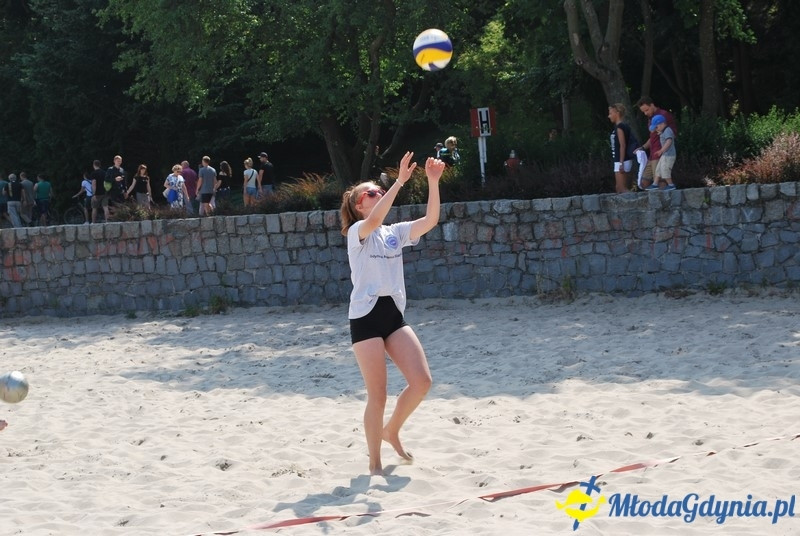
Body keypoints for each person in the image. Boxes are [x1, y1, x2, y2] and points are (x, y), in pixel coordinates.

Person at [340, 151, 444, 476]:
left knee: (422, 381)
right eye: (371, 193)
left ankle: (391, 431)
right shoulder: (358, 231)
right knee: (378, 395)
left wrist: (432, 181)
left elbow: (430, 222)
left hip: (393, 315)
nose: (378, 194)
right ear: (359, 205)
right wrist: (399, 180)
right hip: (365, 319)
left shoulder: (394, 233)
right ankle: (374, 463)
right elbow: (373, 221)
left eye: (379, 191)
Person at [634, 96, 677, 189]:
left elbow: (671, 135)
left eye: (647, 110)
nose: (646, 113)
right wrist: (643, 147)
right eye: (643, 112)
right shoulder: (651, 118)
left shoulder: (664, 115)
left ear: (652, 105)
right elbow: (652, 137)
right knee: (643, 183)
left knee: (661, 182)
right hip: (653, 153)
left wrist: (663, 151)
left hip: (660, 153)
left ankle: (666, 199)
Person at [608, 103, 638, 193]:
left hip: (622, 160)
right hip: (619, 159)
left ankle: (634, 201)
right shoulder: (620, 126)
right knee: (619, 188)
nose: (609, 116)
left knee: (622, 188)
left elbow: (622, 145)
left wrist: (621, 163)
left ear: (617, 113)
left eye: (610, 113)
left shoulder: (620, 127)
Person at [647, 115, 677, 191]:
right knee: (658, 169)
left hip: (669, 155)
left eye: (656, 127)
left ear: (662, 124)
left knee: (665, 170)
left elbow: (669, 141)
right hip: (665, 155)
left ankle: (671, 185)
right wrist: (660, 132)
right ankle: (655, 184)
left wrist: (661, 150)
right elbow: (654, 131)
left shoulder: (667, 130)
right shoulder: (663, 131)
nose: (656, 129)